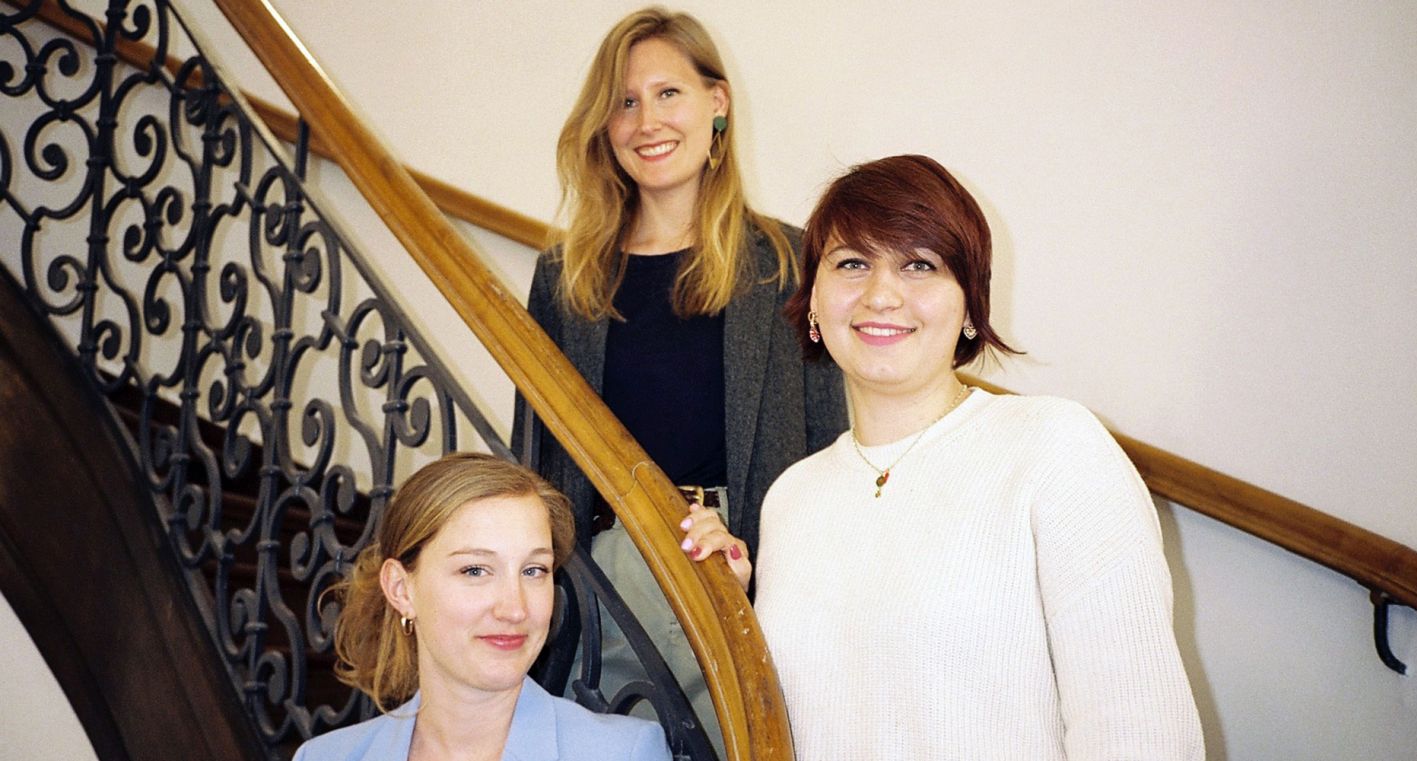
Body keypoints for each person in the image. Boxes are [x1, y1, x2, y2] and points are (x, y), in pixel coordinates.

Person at [680, 155, 1206, 759]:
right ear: (815, 303)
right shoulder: (792, 497)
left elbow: (1140, 731)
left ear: (968, 305)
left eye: (919, 265)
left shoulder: (1055, 447)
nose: (881, 294)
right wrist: (732, 606)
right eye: (852, 263)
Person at [517, 6, 846, 746]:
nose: (646, 121)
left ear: (717, 104)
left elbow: (832, 449)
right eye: (624, 102)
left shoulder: (790, 262)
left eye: (669, 93)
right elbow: (534, 466)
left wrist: (774, 571)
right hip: (603, 591)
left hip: (746, 577)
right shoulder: (563, 280)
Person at [292, 453, 668, 761]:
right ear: (401, 588)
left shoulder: (624, 752)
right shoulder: (324, 757)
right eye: (475, 570)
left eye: (533, 570)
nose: (515, 609)